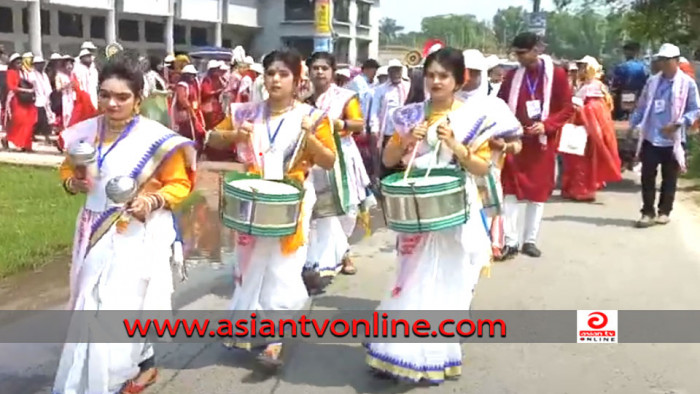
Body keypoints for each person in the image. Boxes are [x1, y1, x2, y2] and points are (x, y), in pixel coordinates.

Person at [52, 52, 196, 394]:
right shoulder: (87, 132)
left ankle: (118, 374)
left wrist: (151, 199)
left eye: (121, 97)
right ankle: (90, 376)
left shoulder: (156, 139)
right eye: (105, 94)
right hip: (94, 229)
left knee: (122, 303)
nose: (111, 103)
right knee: (90, 299)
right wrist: (74, 182)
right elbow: (67, 170)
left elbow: (180, 183)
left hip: (135, 232)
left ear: (138, 100)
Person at [365, 47, 496, 384]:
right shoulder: (410, 114)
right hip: (416, 208)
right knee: (409, 277)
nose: (436, 81)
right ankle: (397, 351)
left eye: (444, 76)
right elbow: (390, 157)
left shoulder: (473, 116)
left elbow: (482, 166)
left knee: (446, 280)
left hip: (453, 208)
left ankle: (435, 353)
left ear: (458, 80)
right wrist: (408, 138)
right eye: (432, 75)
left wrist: (455, 144)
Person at [207, 49, 337, 367]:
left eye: (283, 74)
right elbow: (212, 138)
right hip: (253, 198)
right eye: (270, 73)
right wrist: (236, 134)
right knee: (249, 264)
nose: (275, 79)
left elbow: (329, 160)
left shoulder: (312, 116)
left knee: (283, 267)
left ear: (297, 80)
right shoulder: (247, 113)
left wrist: (310, 137)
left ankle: (274, 338)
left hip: (291, 200)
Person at [497, 32, 574, 259]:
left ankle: (529, 240)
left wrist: (547, 125)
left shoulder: (557, 75)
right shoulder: (512, 77)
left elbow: (567, 108)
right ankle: (510, 241)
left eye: (523, 53)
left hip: (541, 144)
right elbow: (500, 105)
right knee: (509, 191)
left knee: (537, 193)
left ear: (537, 50)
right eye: (516, 53)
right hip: (516, 142)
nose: (519, 58)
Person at [303, 52, 369, 293]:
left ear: (332, 73)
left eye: (324, 68)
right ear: (309, 72)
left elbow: (359, 124)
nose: (319, 72)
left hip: (342, 155)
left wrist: (335, 123)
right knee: (319, 210)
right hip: (316, 158)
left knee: (346, 208)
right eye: (315, 68)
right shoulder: (305, 100)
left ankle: (344, 252)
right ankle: (322, 259)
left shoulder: (345, 97)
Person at [459, 49, 523, 261]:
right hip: (454, 175)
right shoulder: (444, 103)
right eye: (464, 71)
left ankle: (493, 245)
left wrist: (502, 146)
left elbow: (517, 144)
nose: (468, 78)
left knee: (487, 215)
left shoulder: (494, 106)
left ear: (483, 75)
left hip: (487, 174)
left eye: (475, 72)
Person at [629, 43, 699, 227]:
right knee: (647, 176)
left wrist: (679, 123)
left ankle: (664, 211)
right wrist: (633, 124)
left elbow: (695, 109)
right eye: (662, 60)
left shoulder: (687, 83)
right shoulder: (653, 81)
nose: (664, 64)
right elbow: (642, 105)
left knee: (669, 178)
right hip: (652, 136)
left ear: (676, 61)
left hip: (673, 139)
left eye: (668, 60)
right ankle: (647, 212)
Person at [560, 56, 622, 202]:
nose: (580, 70)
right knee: (574, 158)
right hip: (580, 127)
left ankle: (583, 190)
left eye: (583, 67)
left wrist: (581, 110)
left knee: (584, 161)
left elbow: (597, 108)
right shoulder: (584, 85)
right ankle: (573, 188)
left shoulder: (594, 86)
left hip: (589, 128)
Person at [369, 59, 411, 177]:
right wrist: (374, 129)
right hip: (388, 133)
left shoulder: (408, 87)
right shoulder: (381, 90)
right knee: (388, 164)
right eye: (393, 70)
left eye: (398, 70)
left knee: (404, 164)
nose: (396, 73)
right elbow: (375, 111)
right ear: (389, 72)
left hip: (406, 133)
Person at [2, 53, 37, 152]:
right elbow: (12, 87)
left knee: (29, 121)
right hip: (15, 99)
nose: (19, 64)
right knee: (19, 121)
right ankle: (8, 138)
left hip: (25, 100)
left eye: (20, 62)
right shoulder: (11, 72)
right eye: (17, 63)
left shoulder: (22, 72)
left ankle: (26, 144)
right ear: (13, 64)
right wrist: (26, 91)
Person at [172, 64, 206, 153]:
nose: (193, 77)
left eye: (193, 75)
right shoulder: (182, 85)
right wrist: (190, 110)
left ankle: (196, 151)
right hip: (184, 114)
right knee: (187, 133)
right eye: (190, 75)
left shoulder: (193, 84)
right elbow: (182, 99)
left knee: (199, 131)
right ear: (185, 75)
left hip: (193, 112)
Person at [611, 42, 648, 120]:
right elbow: (645, 82)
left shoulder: (620, 67)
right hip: (638, 95)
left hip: (623, 95)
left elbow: (615, 84)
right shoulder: (643, 67)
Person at [28, 55, 55, 145]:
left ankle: (45, 136)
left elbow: (48, 88)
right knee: (40, 120)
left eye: (42, 64)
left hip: (46, 99)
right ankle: (43, 136)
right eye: (38, 64)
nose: (40, 66)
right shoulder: (31, 74)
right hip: (37, 100)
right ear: (35, 65)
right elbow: (30, 85)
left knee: (45, 119)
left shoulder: (44, 75)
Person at [200, 60, 226, 130]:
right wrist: (216, 92)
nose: (217, 71)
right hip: (208, 105)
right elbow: (206, 92)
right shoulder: (207, 80)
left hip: (216, 105)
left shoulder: (218, 79)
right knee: (210, 124)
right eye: (216, 69)